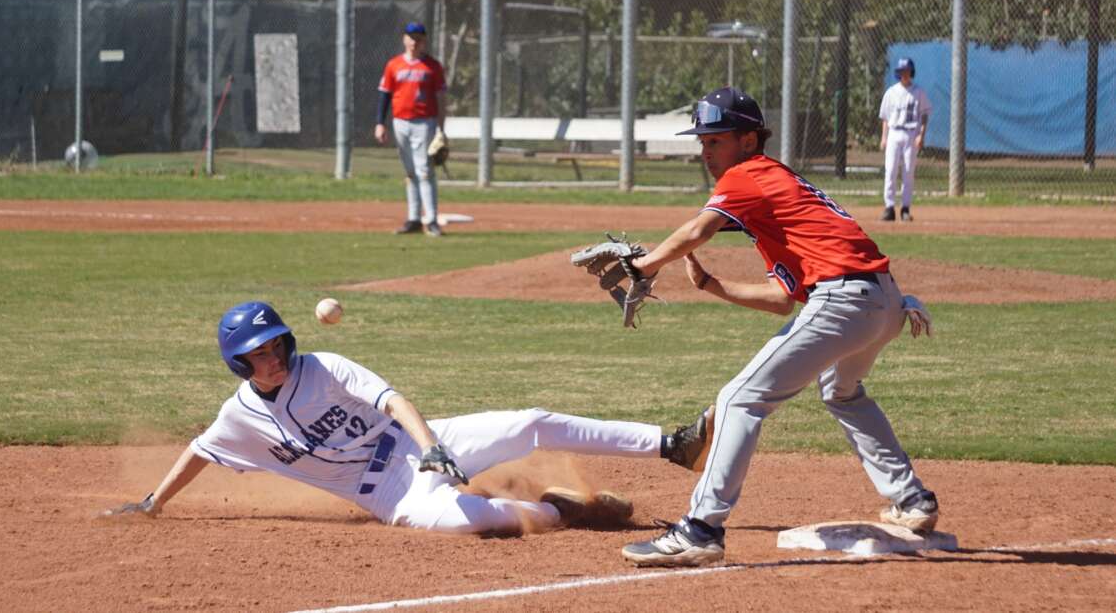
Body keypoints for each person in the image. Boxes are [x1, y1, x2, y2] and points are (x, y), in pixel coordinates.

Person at [618, 87, 938, 567]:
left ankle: (701, 529)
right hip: (883, 300)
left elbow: (697, 230)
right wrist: (710, 284)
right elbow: (780, 300)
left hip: (845, 301)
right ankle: (912, 500)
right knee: (842, 391)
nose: (706, 152)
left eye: (716, 141)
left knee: (738, 399)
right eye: (702, 143)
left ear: (749, 140)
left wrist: (644, 266)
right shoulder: (777, 199)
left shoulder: (751, 174)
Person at [103, 301, 714, 535]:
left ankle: (672, 444)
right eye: (257, 356)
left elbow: (392, 399)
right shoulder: (239, 418)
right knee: (467, 522)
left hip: (421, 443)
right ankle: (561, 508)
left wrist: (431, 446)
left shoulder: (323, 366)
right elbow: (201, 450)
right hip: (392, 496)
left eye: (276, 347)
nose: (272, 361)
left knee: (531, 419)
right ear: (238, 367)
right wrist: (154, 501)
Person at [375, 22, 447, 237]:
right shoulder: (394, 65)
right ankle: (414, 219)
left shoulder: (432, 67)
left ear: (424, 41)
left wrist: (441, 129)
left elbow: (441, 98)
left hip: (425, 122)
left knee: (424, 171)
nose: (414, 42)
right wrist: (380, 123)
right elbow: (385, 94)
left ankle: (432, 220)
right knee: (410, 172)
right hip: (400, 122)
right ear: (404, 39)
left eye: (418, 38)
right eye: (410, 37)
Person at [878, 57, 932, 222]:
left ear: (912, 72)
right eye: (902, 71)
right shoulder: (891, 92)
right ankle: (889, 208)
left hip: (911, 134)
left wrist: (921, 135)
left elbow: (924, 115)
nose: (905, 74)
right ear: (898, 73)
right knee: (891, 170)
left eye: (907, 70)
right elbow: (885, 117)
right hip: (894, 133)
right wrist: (884, 137)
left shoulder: (918, 92)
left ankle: (905, 209)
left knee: (908, 172)